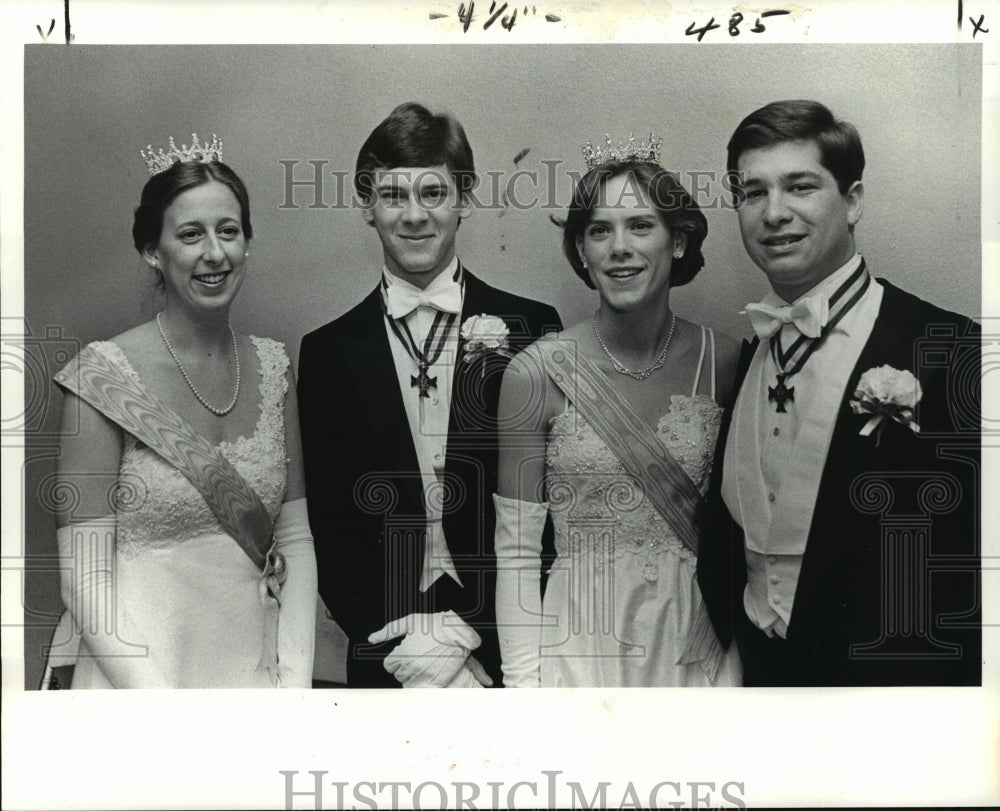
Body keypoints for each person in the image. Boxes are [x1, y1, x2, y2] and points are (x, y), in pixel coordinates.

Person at [697, 100, 981, 686]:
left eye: (800, 186)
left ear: (852, 201)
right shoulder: (749, 352)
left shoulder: (951, 349)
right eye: (753, 193)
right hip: (759, 680)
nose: (774, 213)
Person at [298, 103, 561, 688]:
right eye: (393, 195)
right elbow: (328, 528)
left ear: (464, 199)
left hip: (507, 646)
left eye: (433, 193)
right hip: (386, 652)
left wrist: (472, 636)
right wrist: (405, 643)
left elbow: (546, 517)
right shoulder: (326, 352)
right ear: (368, 207)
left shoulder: (532, 329)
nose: (414, 216)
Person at [51, 135, 317, 688]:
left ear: (247, 242)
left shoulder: (273, 368)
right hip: (138, 685)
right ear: (153, 250)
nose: (214, 253)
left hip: (253, 673)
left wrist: (294, 684)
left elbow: (295, 541)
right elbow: (84, 579)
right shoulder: (101, 377)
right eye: (190, 234)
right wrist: (167, 714)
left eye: (229, 231)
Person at [493, 135, 742, 687]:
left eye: (641, 226)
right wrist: (522, 691)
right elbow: (515, 554)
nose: (619, 247)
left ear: (678, 242)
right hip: (578, 650)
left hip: (694, 648)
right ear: (582, 251)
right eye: (599, 230)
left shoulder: (724, 361)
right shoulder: (532, 374)